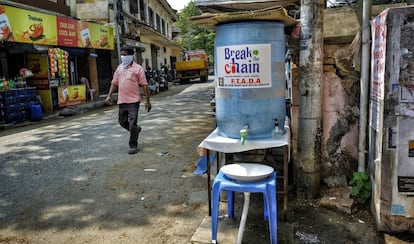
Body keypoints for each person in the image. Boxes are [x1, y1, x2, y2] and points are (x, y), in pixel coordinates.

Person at [105, 46, 151, 154]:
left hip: (134, 101)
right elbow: (114, 82)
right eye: (121, 55)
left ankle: (133, 145)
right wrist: (109, 95)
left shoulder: (138, 68)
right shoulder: (119, 68)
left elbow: (144, 85)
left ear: (131, 55)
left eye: (125, 55)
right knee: (122, 121)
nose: (122, 57)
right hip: (122, 100)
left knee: (132, 123)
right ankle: (135, 130)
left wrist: (148, 101)